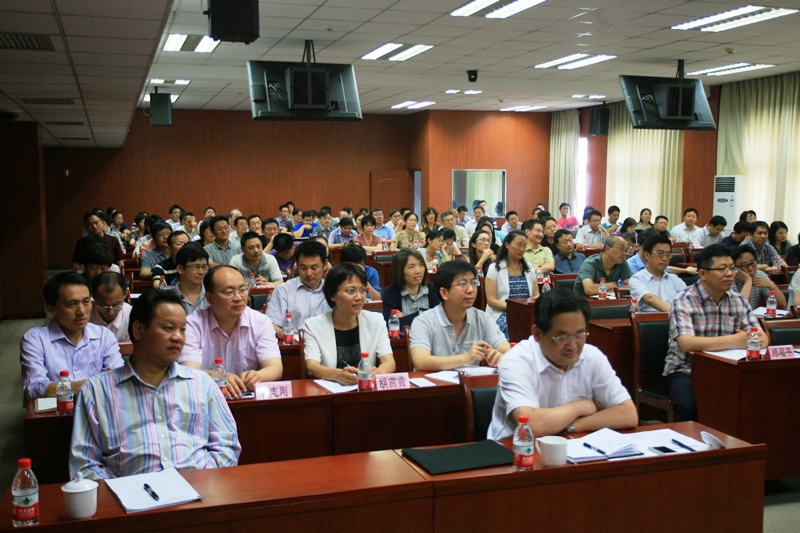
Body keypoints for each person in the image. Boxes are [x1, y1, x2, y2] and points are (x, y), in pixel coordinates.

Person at [69, 289, 240, 480]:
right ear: (138, 330)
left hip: (199, 489)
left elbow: (226, 446)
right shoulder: (96, 391)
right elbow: (85, 466)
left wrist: (203, 482)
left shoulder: (202, 384)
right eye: (168, 328)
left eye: (183, 329)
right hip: (132, 494)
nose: (178, 337)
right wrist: (124, 492)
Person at [487, 289, 637, 439]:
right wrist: (580, 406)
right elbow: (531, 426)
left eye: (579, 335)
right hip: (515, 448)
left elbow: (628, 414)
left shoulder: (592, 356)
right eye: (562, 338)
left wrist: (574, 426)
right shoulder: (516, 361)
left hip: (574, 444)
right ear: (537, 333)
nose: (572, 346)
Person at [664, 244, 767, 422]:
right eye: (722, 269)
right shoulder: (683, 301)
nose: (729, 274)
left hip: (729, 370)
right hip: (687, 370)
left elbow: (762, 338)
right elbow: (687, 344)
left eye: (732, 268)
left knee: (758, 400)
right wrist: (736, 340)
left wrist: (748, 338)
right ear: (702, 274)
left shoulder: (738, 300)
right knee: (689, 407)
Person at [21, 272, 123, 407]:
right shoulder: (36, 340)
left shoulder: (104, 336)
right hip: (56, 414)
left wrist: (58, 388)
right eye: (72, 304)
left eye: (86, 302)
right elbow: (34, 389)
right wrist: (97, 382)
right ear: (51, 308)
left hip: (99, 410)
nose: (82, 311)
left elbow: (118, 380)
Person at [180, 266, 283, 398]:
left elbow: (275, 368)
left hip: (248, 399)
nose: (238, 297)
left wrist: (257, 376)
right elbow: (189, 372)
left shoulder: (260, 321)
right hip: (207, 399)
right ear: (210, 298)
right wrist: (218, 377)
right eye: (229, 292)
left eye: (243, 290)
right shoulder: (192, 325)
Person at [303, 263, 396, 384]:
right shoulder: (313, 326)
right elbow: (312, 367)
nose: (359, 297)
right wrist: (338, 375)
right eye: (351, 291)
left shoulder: (376, 321)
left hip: (366, 388)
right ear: (332, 295)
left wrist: (379, 372)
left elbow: (389, 361)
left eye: (362, 290)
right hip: (331, 391)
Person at [410, 261, 510, 370]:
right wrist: (466, 358)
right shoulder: (423, 321)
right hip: (432, 381)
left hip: (470, 381)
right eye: (462, 284)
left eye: (473, 283)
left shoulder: (482, 319)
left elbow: (509, 352)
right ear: (444, 293)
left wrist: (500, 357)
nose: (471, 290)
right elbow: (421, 362)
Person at [267, 240, 331, 335]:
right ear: (296, 264)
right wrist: (279, 331)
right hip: (294, 341)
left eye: (314, 268)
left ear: (325, 265)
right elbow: (272, 323)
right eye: (303, 268)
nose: (309, 273)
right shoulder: (283, 290)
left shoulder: (333, 289)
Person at [485, 231, 539, 340]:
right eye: (519, 245)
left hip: (527, 312)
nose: (522, 249)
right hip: (503, 313)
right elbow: (491, 301)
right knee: (509, 327)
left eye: (524, 246)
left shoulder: (528, 268)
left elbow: (536, 295)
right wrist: (516, 308)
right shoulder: (495, 268)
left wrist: (526, 309)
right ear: (507, 244)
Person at [382, 249, 441, 329]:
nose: (418, 271)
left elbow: (438, 319)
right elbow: (392, 324)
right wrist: (426, 314)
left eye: (421, 265)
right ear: (399, 270)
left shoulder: (432, 289)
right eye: (411, 267)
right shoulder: (391, 292)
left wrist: (407, 317)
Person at [629, 235, 687, 312]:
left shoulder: (674, 279)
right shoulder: (637, 279)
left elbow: (688, 298)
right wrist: (675, 313)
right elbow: (650, 298)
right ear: (647, 255)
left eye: (668, 254)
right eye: (660, 253)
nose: (664, 259)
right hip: (652, 319)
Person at [89, 272, 132, 342]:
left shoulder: (132, 316)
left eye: (116, 305)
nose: (110, 312)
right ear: (93, 296)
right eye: (103, 305)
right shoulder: (85, 314)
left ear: (126, 293)